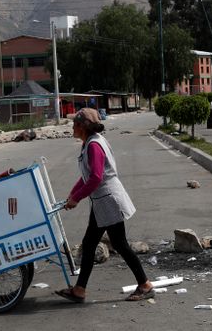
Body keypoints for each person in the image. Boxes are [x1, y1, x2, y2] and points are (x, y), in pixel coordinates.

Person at [55, 108, 154, 303]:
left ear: (83, 127)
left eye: (75, 124)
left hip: (108, 200)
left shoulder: (93, 145)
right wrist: (73, 194)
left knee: (119, 244)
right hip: (102, 201)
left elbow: (96, 177)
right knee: (90, 244)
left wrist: (77, 198)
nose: (72, 128)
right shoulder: (89, 143)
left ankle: (145, 285)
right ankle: (80, 289)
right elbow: (86, 176)